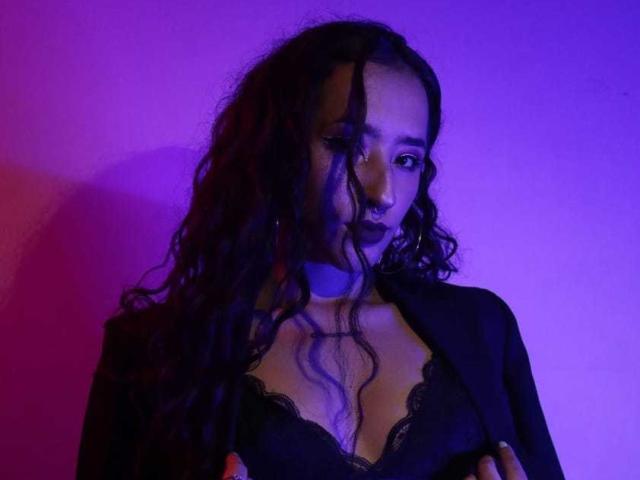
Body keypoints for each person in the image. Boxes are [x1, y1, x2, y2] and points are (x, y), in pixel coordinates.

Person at [76, 19, 565, 480]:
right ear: (278, 150)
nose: (383, 193)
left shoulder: (482, 331)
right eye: (348, 146)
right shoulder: (153, 356)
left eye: (407, 159)